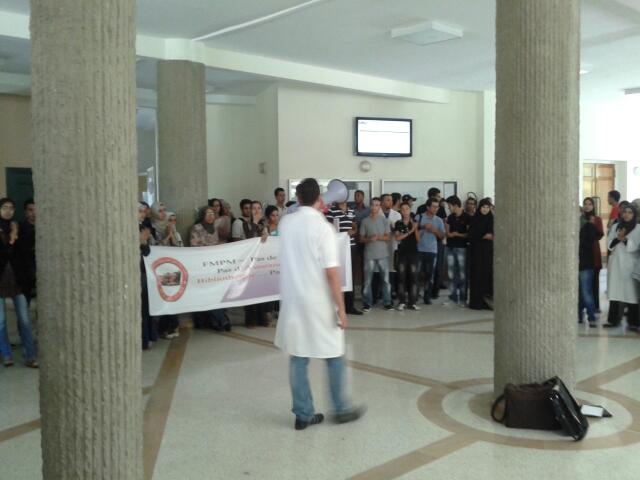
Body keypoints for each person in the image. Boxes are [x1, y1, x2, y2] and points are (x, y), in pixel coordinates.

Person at [274, 178, 364, 430]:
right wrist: (341, 309)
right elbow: (332, 274)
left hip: (293, 301)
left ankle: (303, 414)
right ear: (319, 198)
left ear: (298, 197)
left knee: (298, 357)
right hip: (319, 302)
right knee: (334, 355)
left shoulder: (285, 223)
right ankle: (341, 409)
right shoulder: (324, 228)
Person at [0, 198, 38, 368]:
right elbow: (5, 252)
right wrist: (11, 239)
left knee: (24, 320)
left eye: (11, 208)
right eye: (4, 207)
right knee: (0, 322)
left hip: (18, 281)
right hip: (1, 281)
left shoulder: (18, 227)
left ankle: (29, 356)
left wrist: (16, 235)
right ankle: (7, 355)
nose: (8, 211)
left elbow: (24, 251)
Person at [190, 206, 231, 331]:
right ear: (202, 215)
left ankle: (218, 320)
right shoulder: (196, 228)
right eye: (207, 214)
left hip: (214, 266)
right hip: (202, 266)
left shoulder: (215, 228)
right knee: (209, 294)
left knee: (219, 292)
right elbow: (194, 246)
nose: (210, 216)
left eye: (212, 214)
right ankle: (221, 320)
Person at [604, 202, 640, 329]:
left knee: (631, 294)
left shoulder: (638, 228)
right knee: (615, 291)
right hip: (616, 264)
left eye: (630, 212)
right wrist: (618, 239)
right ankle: (613, 320)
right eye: (624, 212)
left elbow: (636, 246)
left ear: (634, 214)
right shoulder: (616, 226)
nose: (626, 215)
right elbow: (609, 244)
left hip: (631, 265)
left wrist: (625, 239)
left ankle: (633, 322)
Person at [326, 200, 361, 315]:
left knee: (350, 276)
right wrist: (342, 234)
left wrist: (353, 231)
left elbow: (355, 227)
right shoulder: (331, 211)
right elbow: (328, 229)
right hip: (337, 248)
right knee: (337, 275)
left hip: (351, 246)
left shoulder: (351, 211)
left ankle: (350, 306)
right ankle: (335, 306)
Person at [359, 197, 393, 312]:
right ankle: (367, 303)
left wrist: (378, 237)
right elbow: (361, 239)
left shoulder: (384, 220)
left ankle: (387, 303)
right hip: (369, 254)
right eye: (373, 205)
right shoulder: (365, 221)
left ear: (380, 207)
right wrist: (369, 239)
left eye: (377, 205)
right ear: (370, 206)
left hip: (383, 254)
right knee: (367, 281)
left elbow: (388, 237)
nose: (374, 207)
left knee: (386, 280)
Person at [243, 201, 271, 328]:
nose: (256, 210)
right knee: (250, 290)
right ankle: (250, 320)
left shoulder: (264, 224)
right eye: (253, 208)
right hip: (249, 260)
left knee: (261, 289)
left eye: (259, 208)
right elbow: (249, 237)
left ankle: (262, 317)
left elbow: (267, 241)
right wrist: (254, 222)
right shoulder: (245, 224)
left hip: (262, 260)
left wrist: (266, 232)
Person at [157, 211, 182, 339]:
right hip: (162, 270)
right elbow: (157, 248)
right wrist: (168, 236)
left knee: (173, 299)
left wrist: (173, 237)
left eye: (174, 220)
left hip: (175, 269)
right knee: (165, 299)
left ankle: (174, 326)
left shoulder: (177, 234)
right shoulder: (159, 233)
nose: (172, 223)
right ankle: (164, 327)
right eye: (170, 220)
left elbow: (181, 249)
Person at [415, 198, 445, 305]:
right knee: (417, 274)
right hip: (418, 249)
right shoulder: (419, 217)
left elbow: (442, 236)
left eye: (437, 207)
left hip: (432, 250)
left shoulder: (439, 220)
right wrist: (422, 227)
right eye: (434, 207)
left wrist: (435, 230)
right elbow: (412, 231)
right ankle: (415, 295)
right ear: (428, 207)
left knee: (430, 275)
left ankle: (427, 296)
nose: (436, 209)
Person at [468, 198, 494, 310]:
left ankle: (487, 302)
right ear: (479, 207)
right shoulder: (475, 219)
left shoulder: (491, 219)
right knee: (477, 275)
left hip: (488, 252)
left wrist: (488, 236)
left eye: (487, 207)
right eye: (483, 207)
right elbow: (471, 235)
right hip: (477, 252)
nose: (485, 209)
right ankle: (477, 303)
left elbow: (493, 234)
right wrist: (483, 236)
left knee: (487, 275)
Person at [445, 196, 471, 305]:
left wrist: (457, 234)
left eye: (449, 206)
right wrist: (449, 234)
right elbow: (447, 232)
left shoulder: (467, 217)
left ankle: (463, 298)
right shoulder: (450, 217)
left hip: (462, 248)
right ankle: (453, 297)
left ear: (455, 205)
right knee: (451, 273)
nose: (448, 208)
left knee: (462, 274)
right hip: (450, 247)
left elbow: (469, 234)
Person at [394, 202, 420, 311]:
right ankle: (402, 302)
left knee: (413, 278)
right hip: (402, 253)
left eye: (407, 209)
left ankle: (412, 302)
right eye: (403, 209)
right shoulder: (398, 223)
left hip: (413, 253)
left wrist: (415, 229)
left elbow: (418, 239)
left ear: (410, 210)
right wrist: (411, 231)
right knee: (401, 278)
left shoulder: (415, 223)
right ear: (400, 211)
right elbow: (398, 238)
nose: (405, 211)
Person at [138, 202, 157, 350]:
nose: (143, 214)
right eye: (140, 211)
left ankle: (148, 337)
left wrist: (144, 242)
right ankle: (144, 339)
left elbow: (147, 251)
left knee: (146, 306)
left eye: (144, 211)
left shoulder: (143, 227)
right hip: (136, 271)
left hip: (144, 270)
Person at [578, 203, 600, 327]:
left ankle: (591, 317)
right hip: (576, 263)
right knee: (579, 292)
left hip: (585, 263)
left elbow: (590, 242)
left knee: (586, 291)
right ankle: (579, 315)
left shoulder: (589, 226)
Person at [581, 198, 604, 312]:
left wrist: (591, 229)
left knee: (594, 281)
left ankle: (595, 306)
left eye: (590, 204)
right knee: (583, 282)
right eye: (585, 204)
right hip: (583, 252)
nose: (587, 206)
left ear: (593, 206)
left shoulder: (597, 219)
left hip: (594, 251)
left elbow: (600, 234)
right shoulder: (580, 218)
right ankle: (583, 306)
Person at [17, 198, 36, 303]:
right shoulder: (19, 228)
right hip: (26, 272)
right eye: (30, 210)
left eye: (36, 210)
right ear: (25, 212)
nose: (34, 213)